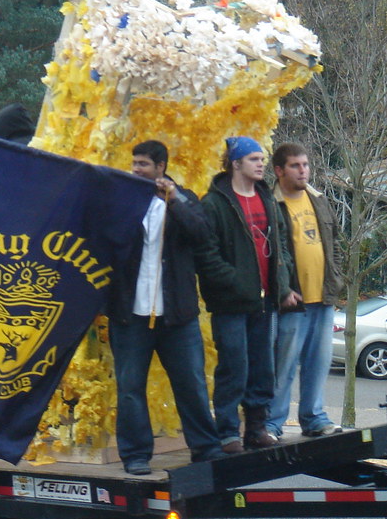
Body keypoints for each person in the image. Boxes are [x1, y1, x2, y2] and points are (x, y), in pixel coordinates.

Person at [105, 140, 224, 475]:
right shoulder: (124, 199)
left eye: (143, 164)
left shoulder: (185, 198)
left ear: (161, 167)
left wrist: (173, 202)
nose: (136, 170)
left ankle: (206, 447)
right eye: (134, 164)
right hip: (131, 314)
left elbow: (201, 234)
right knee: (130, 389)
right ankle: (136, 455)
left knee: (191, 384)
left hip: (177, 315)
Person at [197, 136, 293, 454]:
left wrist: (284, 286)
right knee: (233, 366)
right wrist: (234, 282)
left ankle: (256, 428)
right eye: (254, 159)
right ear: (235, 163)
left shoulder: (266, 198)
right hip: (230, 302)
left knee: (262, 366)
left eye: (262, 158)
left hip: (263, 301)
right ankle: (227, 432)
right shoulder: (214, 204)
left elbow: (280, 246)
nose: (261, 164)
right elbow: (207, 255)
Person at [267, 143, 345, 438]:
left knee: (318, 363)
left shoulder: (319, 199)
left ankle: (314, 419)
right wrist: (282, 289)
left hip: (322, 299)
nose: (303, 171)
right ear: (279, 170)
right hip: (292, 301)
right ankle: (272, 423)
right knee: (284, 365)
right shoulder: (272, 204)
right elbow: (272, 252)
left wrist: (335, 281)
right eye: (295, 166)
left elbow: (335, 242)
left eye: (306, 165)